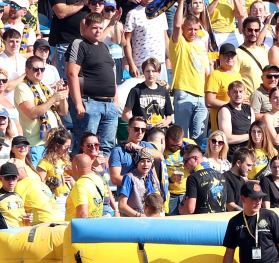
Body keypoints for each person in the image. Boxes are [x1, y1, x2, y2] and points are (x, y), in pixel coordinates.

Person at [65, 12, 118, 155]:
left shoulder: (104, 47)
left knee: (107, 147)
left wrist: (115, 102)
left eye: (101, 28)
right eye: (95, 27)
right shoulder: (79, 44)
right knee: (85, 145)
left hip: (109, 104)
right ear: (86, 27)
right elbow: (71, 73)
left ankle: (104, 176)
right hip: (89, 102)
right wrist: (78, 103)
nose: (98, 31)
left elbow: (112, 75)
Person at [14, 56, 69, 167]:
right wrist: (53, 98)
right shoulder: (22, 88)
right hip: (36, 145)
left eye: (42, 69)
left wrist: (62, 97)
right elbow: (32, 113)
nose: (39, 72)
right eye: (36, 69)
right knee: (39, 180)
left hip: (52, 144)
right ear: (27, 70)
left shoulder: (46, 88)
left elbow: (63, 112)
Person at [170, 0, 209, 143]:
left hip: (202, 96)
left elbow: (206, 71)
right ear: (184, 28)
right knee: (182, 137)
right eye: (190, 29)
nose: (193, 32)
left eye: (196, 29)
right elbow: (176, 24)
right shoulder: (179, 43)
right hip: (184, 93)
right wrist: (180, 3)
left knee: (199, 139)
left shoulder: (199, 47)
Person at [109, 116, 161, 186]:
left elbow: (160, 157)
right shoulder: (118, 151)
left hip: (149, 193)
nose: (140, 132)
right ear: (129, 129)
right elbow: (115, 179)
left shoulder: (146, 145)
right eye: (137, 129)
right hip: (129, 194)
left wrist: (139, 147)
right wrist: (138, 184)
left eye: (143, 130)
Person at [122, 0, 168, 78]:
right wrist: (131, 64)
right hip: (141, 64)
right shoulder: (133, 13)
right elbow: (127, 41)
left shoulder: (161, 13)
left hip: (160, 63)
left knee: (161, 89)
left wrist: (172, 61)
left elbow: (166, 38)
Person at [122, 58, 173, 127]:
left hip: (159, 132)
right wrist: (138, 124)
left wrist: (166, 122)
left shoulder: (164, 91)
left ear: (159, 72)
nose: (151, 74)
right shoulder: (136, 90)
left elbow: (169, 115)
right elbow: (125, 115)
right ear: (143, 72)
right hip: (142, 132)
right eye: (148, 71)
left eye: (154, 71)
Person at [13, 152, 62, 223]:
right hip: (59, 220)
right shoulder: (41, 184)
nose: (10, 178)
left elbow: (15, 210)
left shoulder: (21, 184)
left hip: (42, 223)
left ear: (17, 172)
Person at [205, 43, 243, 132]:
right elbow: (209, 102)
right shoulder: (214, 75)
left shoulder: (238, 75)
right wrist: (232, 105)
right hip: (221, 130)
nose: (230, 58)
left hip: (238, 127)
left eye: (232, 55)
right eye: (226, 55)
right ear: (220, 57)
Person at [179, 143, 227, 214]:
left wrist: (181, 210)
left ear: (195, 158)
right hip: (220, 222)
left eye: (185, 161)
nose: (184, 165)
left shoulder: (193, 178)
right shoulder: (220, 175)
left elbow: (190, 209)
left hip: (202, 222)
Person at [79, 131, 118, 217]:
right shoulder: (80, 163)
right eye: (89, 145)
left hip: (107, 207)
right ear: (83, 147)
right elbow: (81, 182)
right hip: (94, 207)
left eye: (96, 144)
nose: (93, 147)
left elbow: (107, 187)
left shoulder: (102, 163)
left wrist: (116, 209)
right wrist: (93, 166)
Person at [118, 148, 160, 217]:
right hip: (132, 222)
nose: (146, 164)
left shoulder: (152, 179)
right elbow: (122, 205)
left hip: (148, 221)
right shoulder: (130, 178)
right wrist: (140, 216)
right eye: (142, 161)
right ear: (137, 162)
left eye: (148, 161)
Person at [36, 128, 72, 208]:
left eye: (69, 147)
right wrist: (52, 181)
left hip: (68, 196)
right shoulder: (45, 163)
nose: (68, 150)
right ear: (56, 146)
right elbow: (38, 184)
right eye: (66, 147)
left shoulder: (65, 161)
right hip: (55, 198)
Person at [235, 17, 270, 99]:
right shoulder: (237, 53)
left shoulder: (263, 51)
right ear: (243, 31)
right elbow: (235, 79)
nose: (253, 33)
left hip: (265, 98)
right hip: (248, 99)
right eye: (250, 30)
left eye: (256, 30)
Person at [218, 80, 255, 155]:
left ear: (244, 93)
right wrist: (250, 136)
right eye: (235, 92)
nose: (238, 95)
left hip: (250, 152)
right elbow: (227, 138)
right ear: (229, 94)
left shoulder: (249, 109)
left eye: (241, 92)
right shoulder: (225, 110)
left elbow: (254, 130)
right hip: (233, 153)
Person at [64, 153, 105, 220]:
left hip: (78, 229)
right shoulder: (98, 179)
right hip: (95, 226)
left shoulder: (80, 184)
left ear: (76, 168)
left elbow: (83, 214)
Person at [0, 163, 30, 229]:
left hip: (20, 234)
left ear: (17, 178)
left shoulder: (18, 197)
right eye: (7, 178)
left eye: (14, 177)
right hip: (6, 235)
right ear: (1, 178)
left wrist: (28, 222)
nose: (11, 181)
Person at [0, 29, 28, 98]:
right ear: (4, 43)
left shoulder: (23, 60)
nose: (15, 44)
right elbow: (6, 88)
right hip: (6, 101)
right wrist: (27, 74)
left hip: (23, 99)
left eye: (17, 41)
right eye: (11, 41)